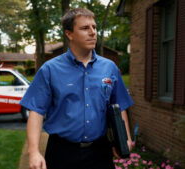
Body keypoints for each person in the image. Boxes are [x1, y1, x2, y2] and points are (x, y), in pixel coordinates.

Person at [20, 8, 133, 169]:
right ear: (69, 34)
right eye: (85, 28)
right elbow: (36, 111)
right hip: (62, 152)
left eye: (94, 27)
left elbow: (119, 105)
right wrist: (33, 152)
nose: (93, 32)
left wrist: (124, 138)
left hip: (100, 152)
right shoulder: (50, 69)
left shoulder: (110, 68)